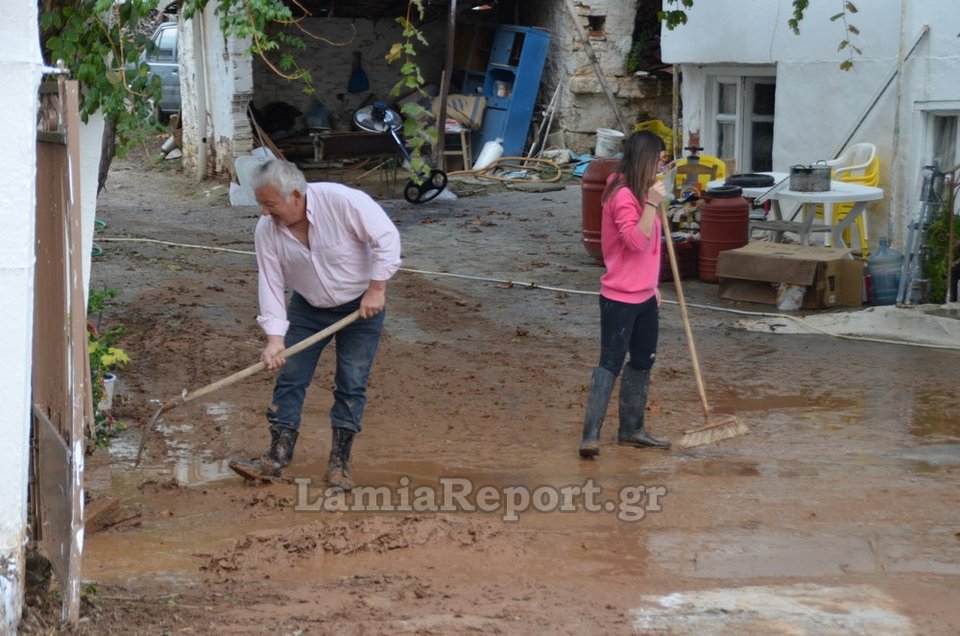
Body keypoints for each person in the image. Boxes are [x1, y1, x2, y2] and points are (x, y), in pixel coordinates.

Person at [229, 159, 401, 489]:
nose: (265, 213)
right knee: (290, 375)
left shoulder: (343, 202)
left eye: (269, 204)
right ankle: (276, 457)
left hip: (361, 308)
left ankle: (339, 464)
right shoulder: (266, 231)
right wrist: (275, 338)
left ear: (295, 195)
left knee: (352, 381)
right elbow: (270, 281)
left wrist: (377, 288)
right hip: (308, 308)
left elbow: (387, 239)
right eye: (261, 204)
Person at [579, 131, 672, 458]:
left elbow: (648, 250)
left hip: (644, 296)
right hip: (619, 297)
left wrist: (652, 285)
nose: (661, 166)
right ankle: (590, 436)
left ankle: (631, 430)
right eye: (659, 159)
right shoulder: (621, 194)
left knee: (643, 360)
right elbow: (634, 241)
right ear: (645, 159)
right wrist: (650, 204)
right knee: (611, 362)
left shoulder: (642, 190)